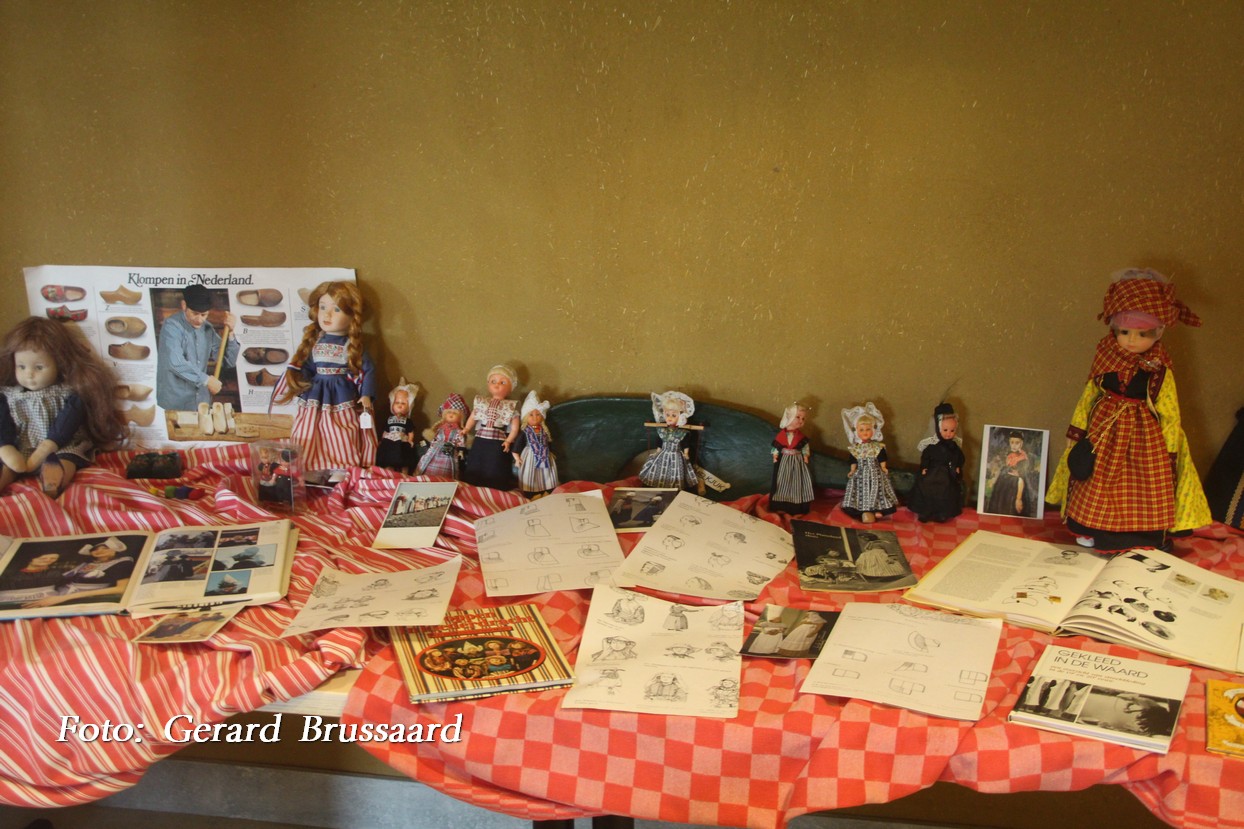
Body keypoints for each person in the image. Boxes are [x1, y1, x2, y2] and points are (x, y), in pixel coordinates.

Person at [1047, 268, 1211, 550]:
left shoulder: (1160, 368)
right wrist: (1077, 432)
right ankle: (1090, 528)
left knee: (1141, 486)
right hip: (1103, 433)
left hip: (1144, 439)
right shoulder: (1105, 356)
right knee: (1095, 481)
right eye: (1125, 332)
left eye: (1142, 333)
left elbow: (1170, 411)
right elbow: (1088, 396)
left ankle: (1140, 536)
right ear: (1114, 329)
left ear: (1158, 332)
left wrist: (1170, 449)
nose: (1132, 340)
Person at [0, 317, 127, 497]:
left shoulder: (69, 393)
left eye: (39, 367)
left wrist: (47, 447)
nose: (29, 374)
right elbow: (3, 422)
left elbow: (66, 423)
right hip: (20, 446)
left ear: (59, 363)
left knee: (65, 459)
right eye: (21, 366)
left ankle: (52, 484)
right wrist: (5, 447)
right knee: (6, 464)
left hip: (61, 444)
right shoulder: (8, 395)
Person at [274, 281, 377, 475]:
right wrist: (299, 380)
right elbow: (307, 367)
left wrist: (366, 394)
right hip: (315, 396)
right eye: (323, 307)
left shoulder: (351, 345)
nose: (327, 315)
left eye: (336, 309)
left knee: (342, 432)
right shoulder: (315, 342)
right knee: (308, 430)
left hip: (341, 396)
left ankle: (342, 468)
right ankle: (310, 466)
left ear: (352, 315)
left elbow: (368, 370)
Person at [155, 284, 239, 413]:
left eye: (204, 315)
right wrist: (206, 380)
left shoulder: (208, 329)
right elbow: (176, 362)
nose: (199, 320)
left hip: (201, 403)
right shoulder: (171, 326)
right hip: (175, 403)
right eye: (195, 313)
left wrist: (231, 333)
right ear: (184, 305)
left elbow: (228, 361)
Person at [24, 536, 135, 608]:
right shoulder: (86, 564)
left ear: (115, 550)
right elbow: (63, 578)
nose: (99, 551)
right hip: (62, 594)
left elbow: (121, 589)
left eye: (105, 548)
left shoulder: (123, 563)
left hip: (87, 600)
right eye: (95, 549)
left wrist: (62, 598)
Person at [461, 365, 520, 490]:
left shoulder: (510, 406)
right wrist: (466, 429)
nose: (497, 385)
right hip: (480, 437)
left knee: (495, 462)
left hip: (498, 440)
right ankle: (473, 483)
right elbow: (473, 416)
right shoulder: (482, 402)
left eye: (502, 382)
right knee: (477, 458)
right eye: (493, 381)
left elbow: (515, 428)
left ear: (511, 388)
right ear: (488, 384)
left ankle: (495, 485)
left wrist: (508, 440)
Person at [906, 402, 966, 523]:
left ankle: (942, 513)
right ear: (938, 429)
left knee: (947, 493)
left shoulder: (954, 446)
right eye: (945, 430)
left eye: (952, 430)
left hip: (947, 474)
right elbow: (926, 457)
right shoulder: (932, 446)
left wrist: (957, 466)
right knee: (925, 490)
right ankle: (925, 511)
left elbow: (959, 457)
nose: (948, 433)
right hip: (932, 473)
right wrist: (924, 467)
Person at [840, 402, 898, 523]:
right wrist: (852, 470)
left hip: (874, 471)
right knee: (859, 490)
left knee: (877, 489)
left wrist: (883, 467)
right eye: (861, 430)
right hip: (861, 472)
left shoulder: (877, 446)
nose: (865, 432)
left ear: (873, 430)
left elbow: (882, 457)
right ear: (857, 431)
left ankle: (878, 509)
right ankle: (863, 511)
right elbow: (853, 460)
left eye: (868, 429)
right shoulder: (856, 448)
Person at [639, 391, 700, 491]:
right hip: (663, 453)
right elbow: (660, 442)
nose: (670, 418)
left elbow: (685, 443)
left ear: (680, 417)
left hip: (676, 454)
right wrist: (658, 451)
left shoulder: (681, 432)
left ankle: (673, 487)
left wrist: (686, 453)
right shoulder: (662, 431)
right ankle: (658, 486)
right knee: (657, 468)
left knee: (676, 471)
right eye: (667, 414)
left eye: (673, 415)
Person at [769, 402, 814, 515]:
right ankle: (780, 505)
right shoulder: (781, 435)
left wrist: (805, 456)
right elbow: (776, 446)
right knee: (781, 482)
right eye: (798, 417)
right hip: (783, 461)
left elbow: (805, 447)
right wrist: (775, 455)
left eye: (803, 419)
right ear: (789, 417)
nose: (801, 420)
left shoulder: (801, 437)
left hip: (797, 462)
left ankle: (796, 506)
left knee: (797, 483)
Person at [511, 390, 558, 497]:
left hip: (545, 455)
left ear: (542, 416)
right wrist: (517, 458)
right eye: (531, 415)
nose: (535, 417)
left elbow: (548, 442)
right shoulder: (525, 431)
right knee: (530, 473)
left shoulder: (544, 430)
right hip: (530, 455)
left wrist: (551, 453)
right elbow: (517, 445)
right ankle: (531, 492)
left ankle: (546, 490)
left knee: (546, 473)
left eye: (538, 414)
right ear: (526, 417)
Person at [416, 393, 468, 479]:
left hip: (449, 452)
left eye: (455, 413)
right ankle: (427, 477)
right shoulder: (439, 428)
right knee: (427, 461)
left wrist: (461, 451)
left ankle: (444, 480)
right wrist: (428, 444)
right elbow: (433, 438)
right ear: (444, 414)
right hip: (435, 449)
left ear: (460, 417)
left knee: (448, 467)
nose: (451, 414)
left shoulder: (459, 431)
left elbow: (460, 441)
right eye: (449, 412)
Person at [375, 378, 420, 472]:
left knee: (404, 455)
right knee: (387, 455)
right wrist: (382, 440)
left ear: (409, 406)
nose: (400, 405)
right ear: (392, 404)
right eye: (397, 403)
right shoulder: (389, 419)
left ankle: (404, 470)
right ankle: (388, 469)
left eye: (403, 403)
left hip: (402, 440)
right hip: (389, 440)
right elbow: (385, 430)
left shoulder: (407, 421)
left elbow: (410, 432)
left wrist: (410, 440)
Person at [986, 431, 1035, 516]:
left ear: (1021, 444)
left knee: (1010, 507)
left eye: (1017, 443)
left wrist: (1018, 498)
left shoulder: (1022, 458)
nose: (1014, 445)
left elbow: (1021, 479)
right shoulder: (1009, 455)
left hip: (1015, 487)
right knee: (1000, 504)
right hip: (1004, 485)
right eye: (1012, 442)